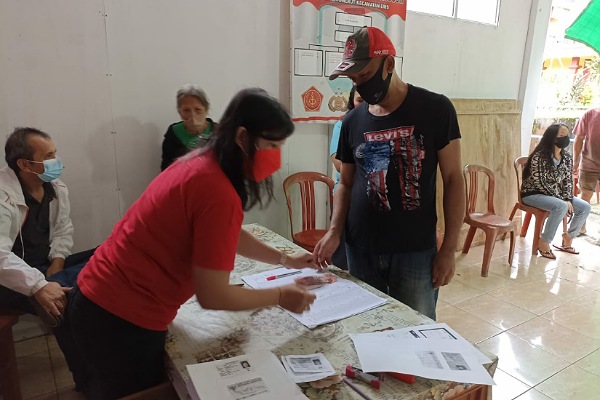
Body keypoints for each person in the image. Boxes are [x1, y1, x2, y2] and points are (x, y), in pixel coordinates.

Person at [68, 88, 318, 399]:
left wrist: (286, 259)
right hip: (120, 317)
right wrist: (279, 295)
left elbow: (230, 233)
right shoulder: (216, 189)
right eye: (271, 146)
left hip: (99, 300)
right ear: (243, 137)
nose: (276, 157)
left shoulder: (200, 162)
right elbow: (213, 294)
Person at [314, 27, 465, 321]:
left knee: (414, 328)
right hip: (360, 247)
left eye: (365, 75)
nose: (360, 86)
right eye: (354, 79)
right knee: (365, 325)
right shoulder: (352, 122)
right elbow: (345, 183)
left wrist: (449, 248)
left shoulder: (436, 109)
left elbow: (454, 179)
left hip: (414, 250)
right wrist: (334, 231)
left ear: (390, 64)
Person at [0, 127, 95, 389]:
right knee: (65, 305)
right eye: (48, 156)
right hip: (9, 278)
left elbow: (63, 229)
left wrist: (57, 263)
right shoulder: (3, 195)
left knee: (105, 253)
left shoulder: (56, 188)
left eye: (55, 153)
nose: (56, 161)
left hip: (45, 268)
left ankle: (59, 283)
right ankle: (87, 383)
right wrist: (39, 285)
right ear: (24, 164)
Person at [521, 124, 591, 259]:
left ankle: (569, 237)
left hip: (556, 195)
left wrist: (568, 198)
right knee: (561, 206)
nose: (565, 138)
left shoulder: (567, 158)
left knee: (585, 207)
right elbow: (540, 183)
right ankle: (544, 242)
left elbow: (568, 181)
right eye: (562, 135)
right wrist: (563, 200)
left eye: (567, 135)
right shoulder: (539, 157)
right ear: (552, 137)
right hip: (533, 193)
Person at [329, 86, 363, 270]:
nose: (364, 105)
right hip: (347, 200)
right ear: (352, 101)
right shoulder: (343, 125)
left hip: (372, 204)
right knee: (343, 260)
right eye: (359, 100)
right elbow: (338, 163)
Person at [160, 84, 217, 171]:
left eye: (198, 110)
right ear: (180, 112)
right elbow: (166, 169)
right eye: (186, 110)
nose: (192, 115)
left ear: (206, 110)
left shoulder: (218, 132)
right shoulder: (174, 133)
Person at [573, 106, 600, 234]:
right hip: (589, 162)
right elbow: (579, 138)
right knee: (585, 196)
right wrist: (575, 161)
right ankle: (580, 227)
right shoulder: (589, 114)